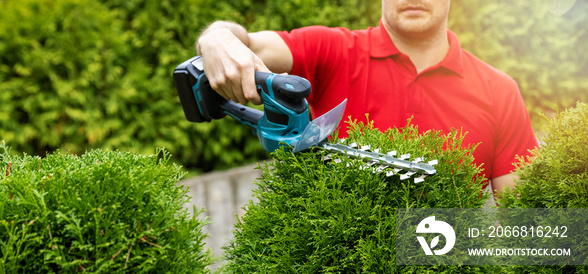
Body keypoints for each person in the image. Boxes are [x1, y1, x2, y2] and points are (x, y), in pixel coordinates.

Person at [195, 0, 537, 194]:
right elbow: (250, 44)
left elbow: (523, 224)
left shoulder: (498, 90)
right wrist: (217, 39)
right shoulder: (332, 50)